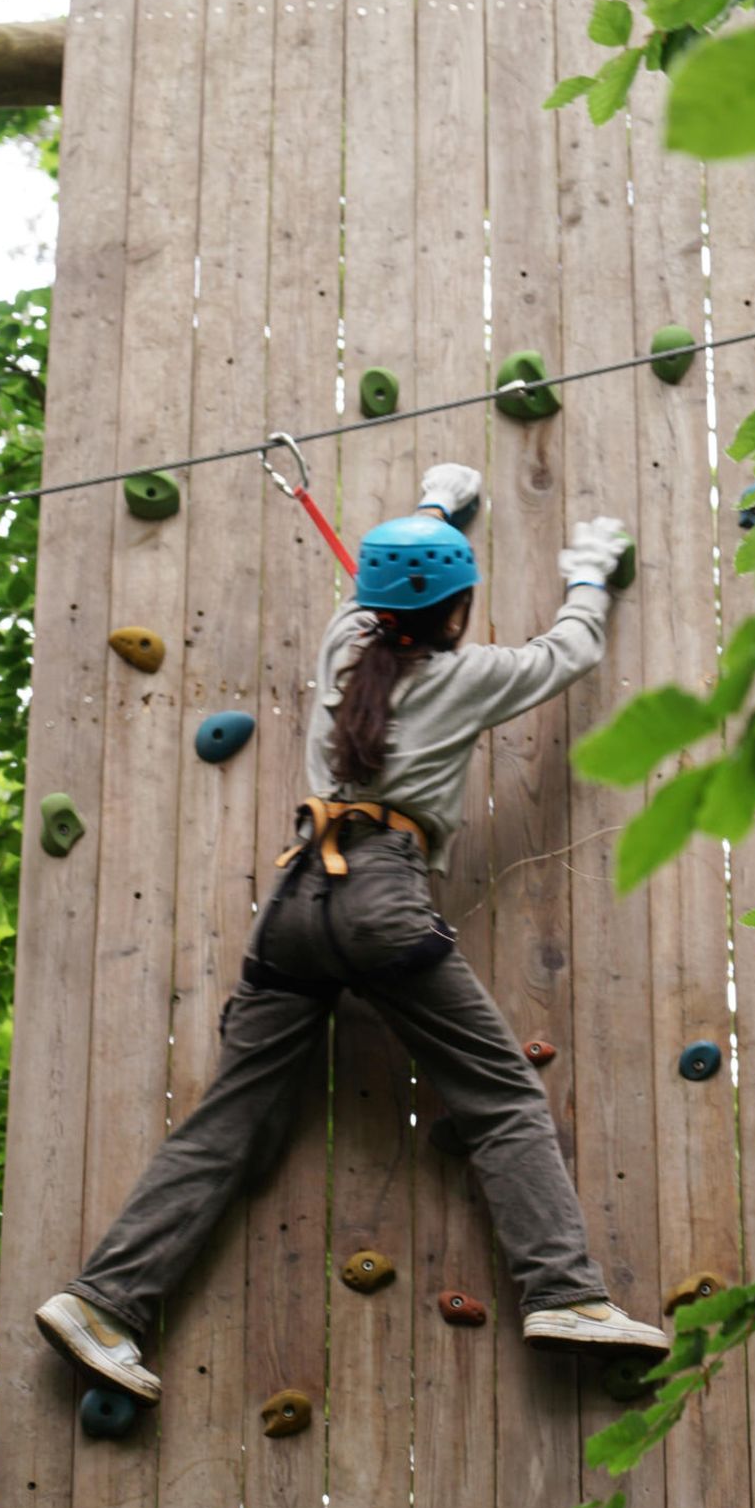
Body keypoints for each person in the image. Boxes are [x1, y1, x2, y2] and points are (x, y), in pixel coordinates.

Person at [36, 463, 669, 1404]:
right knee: (500, 1100)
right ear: (458, 612)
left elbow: (373, 595)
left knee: (231, 1117)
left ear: (370, 604)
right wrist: (587, 568)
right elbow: (565, 653)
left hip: (295, 907)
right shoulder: (467, 676)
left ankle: (104, 1301)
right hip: (382, 902)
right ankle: (566, 1294)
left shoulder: (343, 643)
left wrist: (432, 502)